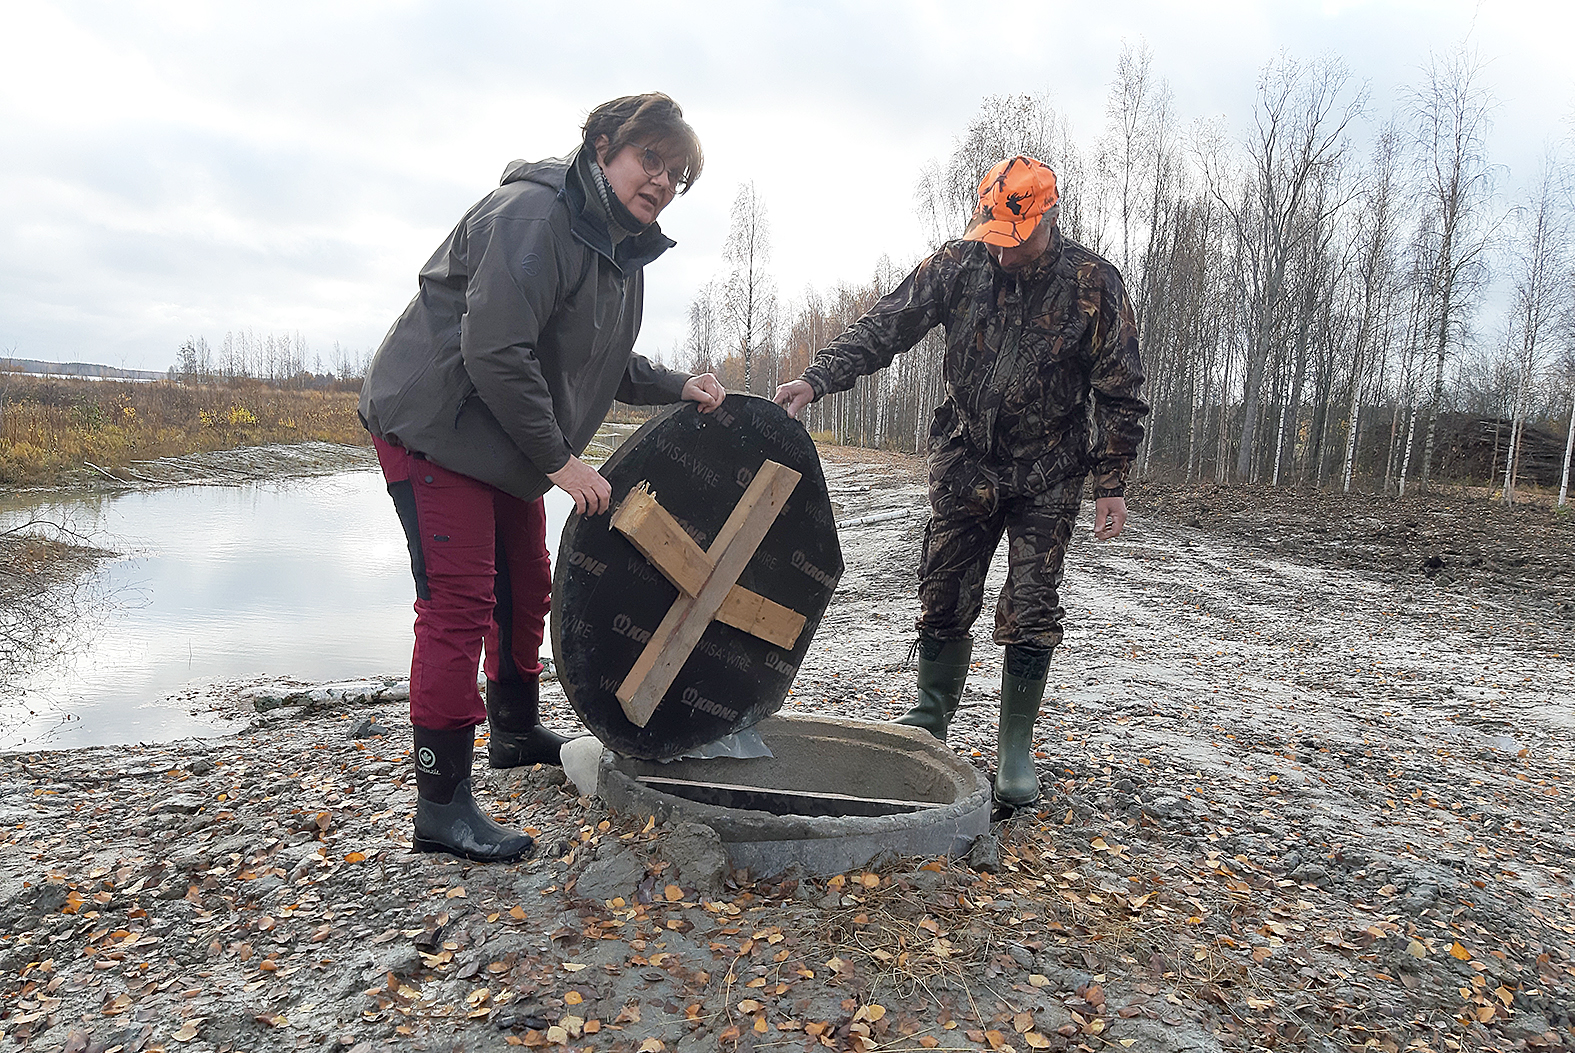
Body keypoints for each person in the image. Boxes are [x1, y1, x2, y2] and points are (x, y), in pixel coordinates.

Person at [360, 93, 725, 862]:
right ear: (602, 148)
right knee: (459, 603)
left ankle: (515, 729)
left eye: (676, 172)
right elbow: (496, 350)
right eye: (648, 159)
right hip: (438, 425)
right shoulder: (534, 218)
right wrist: (562, 463)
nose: (660, 180)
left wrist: (677, 385)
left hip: (500, 442)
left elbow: (604, 360)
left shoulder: (620, 250)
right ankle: (442, 804)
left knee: (527, 586)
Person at [773, 156, 1148, 813]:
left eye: (1016, 240)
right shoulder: (956, 263)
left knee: (1030, 604)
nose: (1002, 254)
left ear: (1047, 218)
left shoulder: (1093, 283)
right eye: (993, 237)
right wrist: (816, 378)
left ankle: (1013, 748)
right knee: (942, 592)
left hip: (1048, 470)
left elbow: (1119, 387)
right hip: (966, 459)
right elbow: (883, 327)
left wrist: (1110, 479)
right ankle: (929, 721)